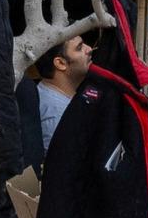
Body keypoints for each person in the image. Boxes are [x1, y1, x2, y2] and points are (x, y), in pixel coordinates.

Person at [16, 32, 95, 172]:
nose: (89, 49)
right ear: (60, 63)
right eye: (79, 47)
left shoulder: (47, 92)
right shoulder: (57, 116)